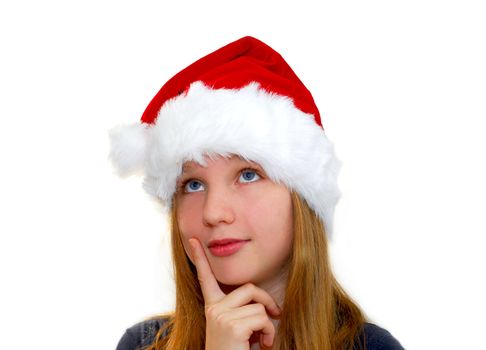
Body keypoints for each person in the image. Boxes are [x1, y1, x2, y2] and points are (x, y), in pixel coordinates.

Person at [110, 36, 404, 350]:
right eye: (192, 185)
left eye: (248, 175)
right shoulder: (143, 344)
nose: (213, 213)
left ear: (301, 197)